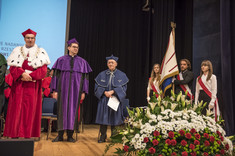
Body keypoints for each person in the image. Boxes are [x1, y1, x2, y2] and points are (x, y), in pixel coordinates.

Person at [3, 29, 50, 138]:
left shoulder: (41, 52)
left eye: (32, 38)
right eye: (28, 38)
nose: (30, 40)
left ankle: (27, 135)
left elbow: (43, 70)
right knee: (16, 110)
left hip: (32, 87)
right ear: (24, 39)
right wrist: (22, 74)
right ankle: (15, 134)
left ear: (35, 39)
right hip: (19, 86)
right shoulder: (17, 50)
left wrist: (30, 76)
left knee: (29, 111)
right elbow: (13, 67)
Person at [51, 38, 92, 142]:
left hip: (76, 91)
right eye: (74, 47)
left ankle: (70, 135)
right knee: (61, 111)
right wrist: (54, 90)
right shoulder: (61, 60)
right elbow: (55, 76)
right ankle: (60, 135)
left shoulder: (82, 62)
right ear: (68, 47)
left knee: (73, 111)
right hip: (62, 90)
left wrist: (84, 91)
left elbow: (86, 79)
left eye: (77, 47)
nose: (76, 49)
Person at [95, 55, 129, 143]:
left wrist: (113, 91)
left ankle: (114, 136)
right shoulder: (101, 74)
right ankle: (103, 136)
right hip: (104, 100)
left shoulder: (122, 75)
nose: (110, 64)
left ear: (116, 64)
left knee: (115, 119)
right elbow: (96, 87)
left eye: (112, 62)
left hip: (115, 99)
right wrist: (104, 92)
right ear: (107, 64)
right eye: (109, 63)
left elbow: (124, 88)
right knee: (103, 119)